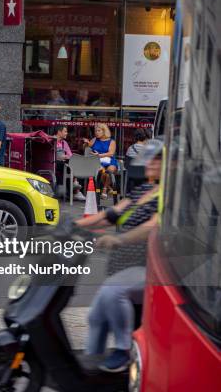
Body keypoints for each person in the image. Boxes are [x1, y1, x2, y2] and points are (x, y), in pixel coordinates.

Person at [76, 139, 164, 372]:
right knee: (96, 316)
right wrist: (71, 225)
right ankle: (90, 368)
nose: (151, 164)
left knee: (113, 291)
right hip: (123, 266)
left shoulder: (169, 195)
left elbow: (151, 227)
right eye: (151, 159)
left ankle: (123, 351)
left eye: (157, 160)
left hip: (149, 267)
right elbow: (111, 215)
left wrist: (118, 239)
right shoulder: (143, 190)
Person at [83, 123, 118, 199]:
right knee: (102, 171)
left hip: (109, 160)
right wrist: (86, 144)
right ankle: (108, 187)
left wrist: (99, 155)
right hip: (97, 161)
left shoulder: (112, 141)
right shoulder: (94, 139)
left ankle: (105, 189)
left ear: (104, 131)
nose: (96, 132)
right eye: (95, 131)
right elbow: (86, 148)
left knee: (110, 170)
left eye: (99, 131)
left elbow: (111, 153)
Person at [53, 125, 86, 201]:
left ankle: (75, 188)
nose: (66, 133)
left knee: (71, 164)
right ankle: (75, 189)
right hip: (53, 163)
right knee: (67, 167)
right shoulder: (51, 140)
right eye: (65, 131)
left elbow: (70, 155)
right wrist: (60, 157)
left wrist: (66, 157)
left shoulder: (64, 143)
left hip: (63, 164)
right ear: (59, 132)